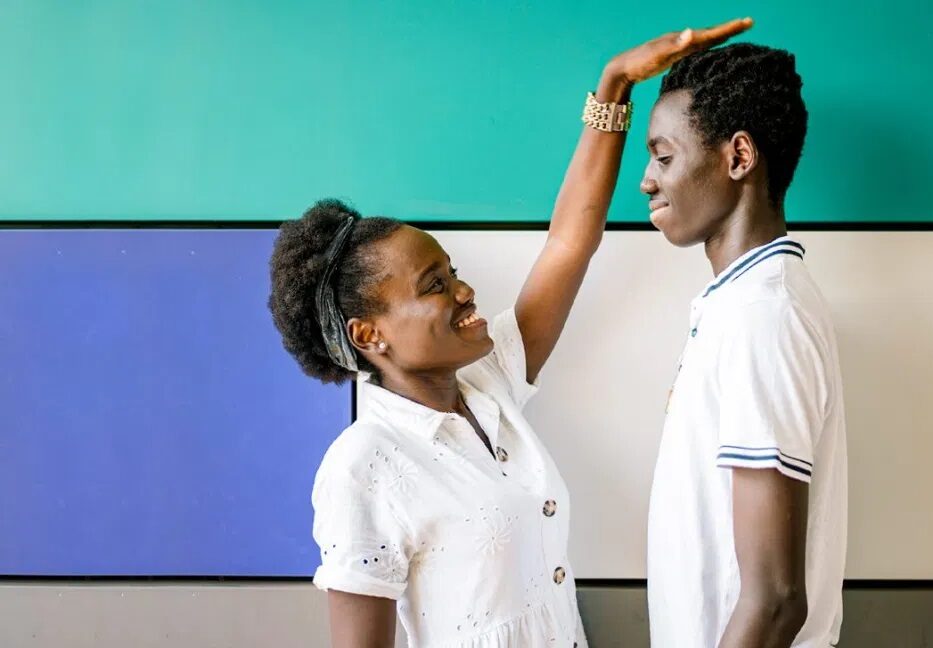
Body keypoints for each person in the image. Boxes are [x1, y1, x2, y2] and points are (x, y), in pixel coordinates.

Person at [266, 19, 752, 648]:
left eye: (453, 272)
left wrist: (615, 85)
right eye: (434, 286)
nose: (464, 291)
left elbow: (568, 244)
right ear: (369, 334)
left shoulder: (488, 385)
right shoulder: (362, 466)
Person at [642, 43, 848, 648]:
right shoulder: (740, 304)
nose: (647, 180)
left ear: (738, 156)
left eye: (663, 156)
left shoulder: (763, 316)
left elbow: (777, 600)